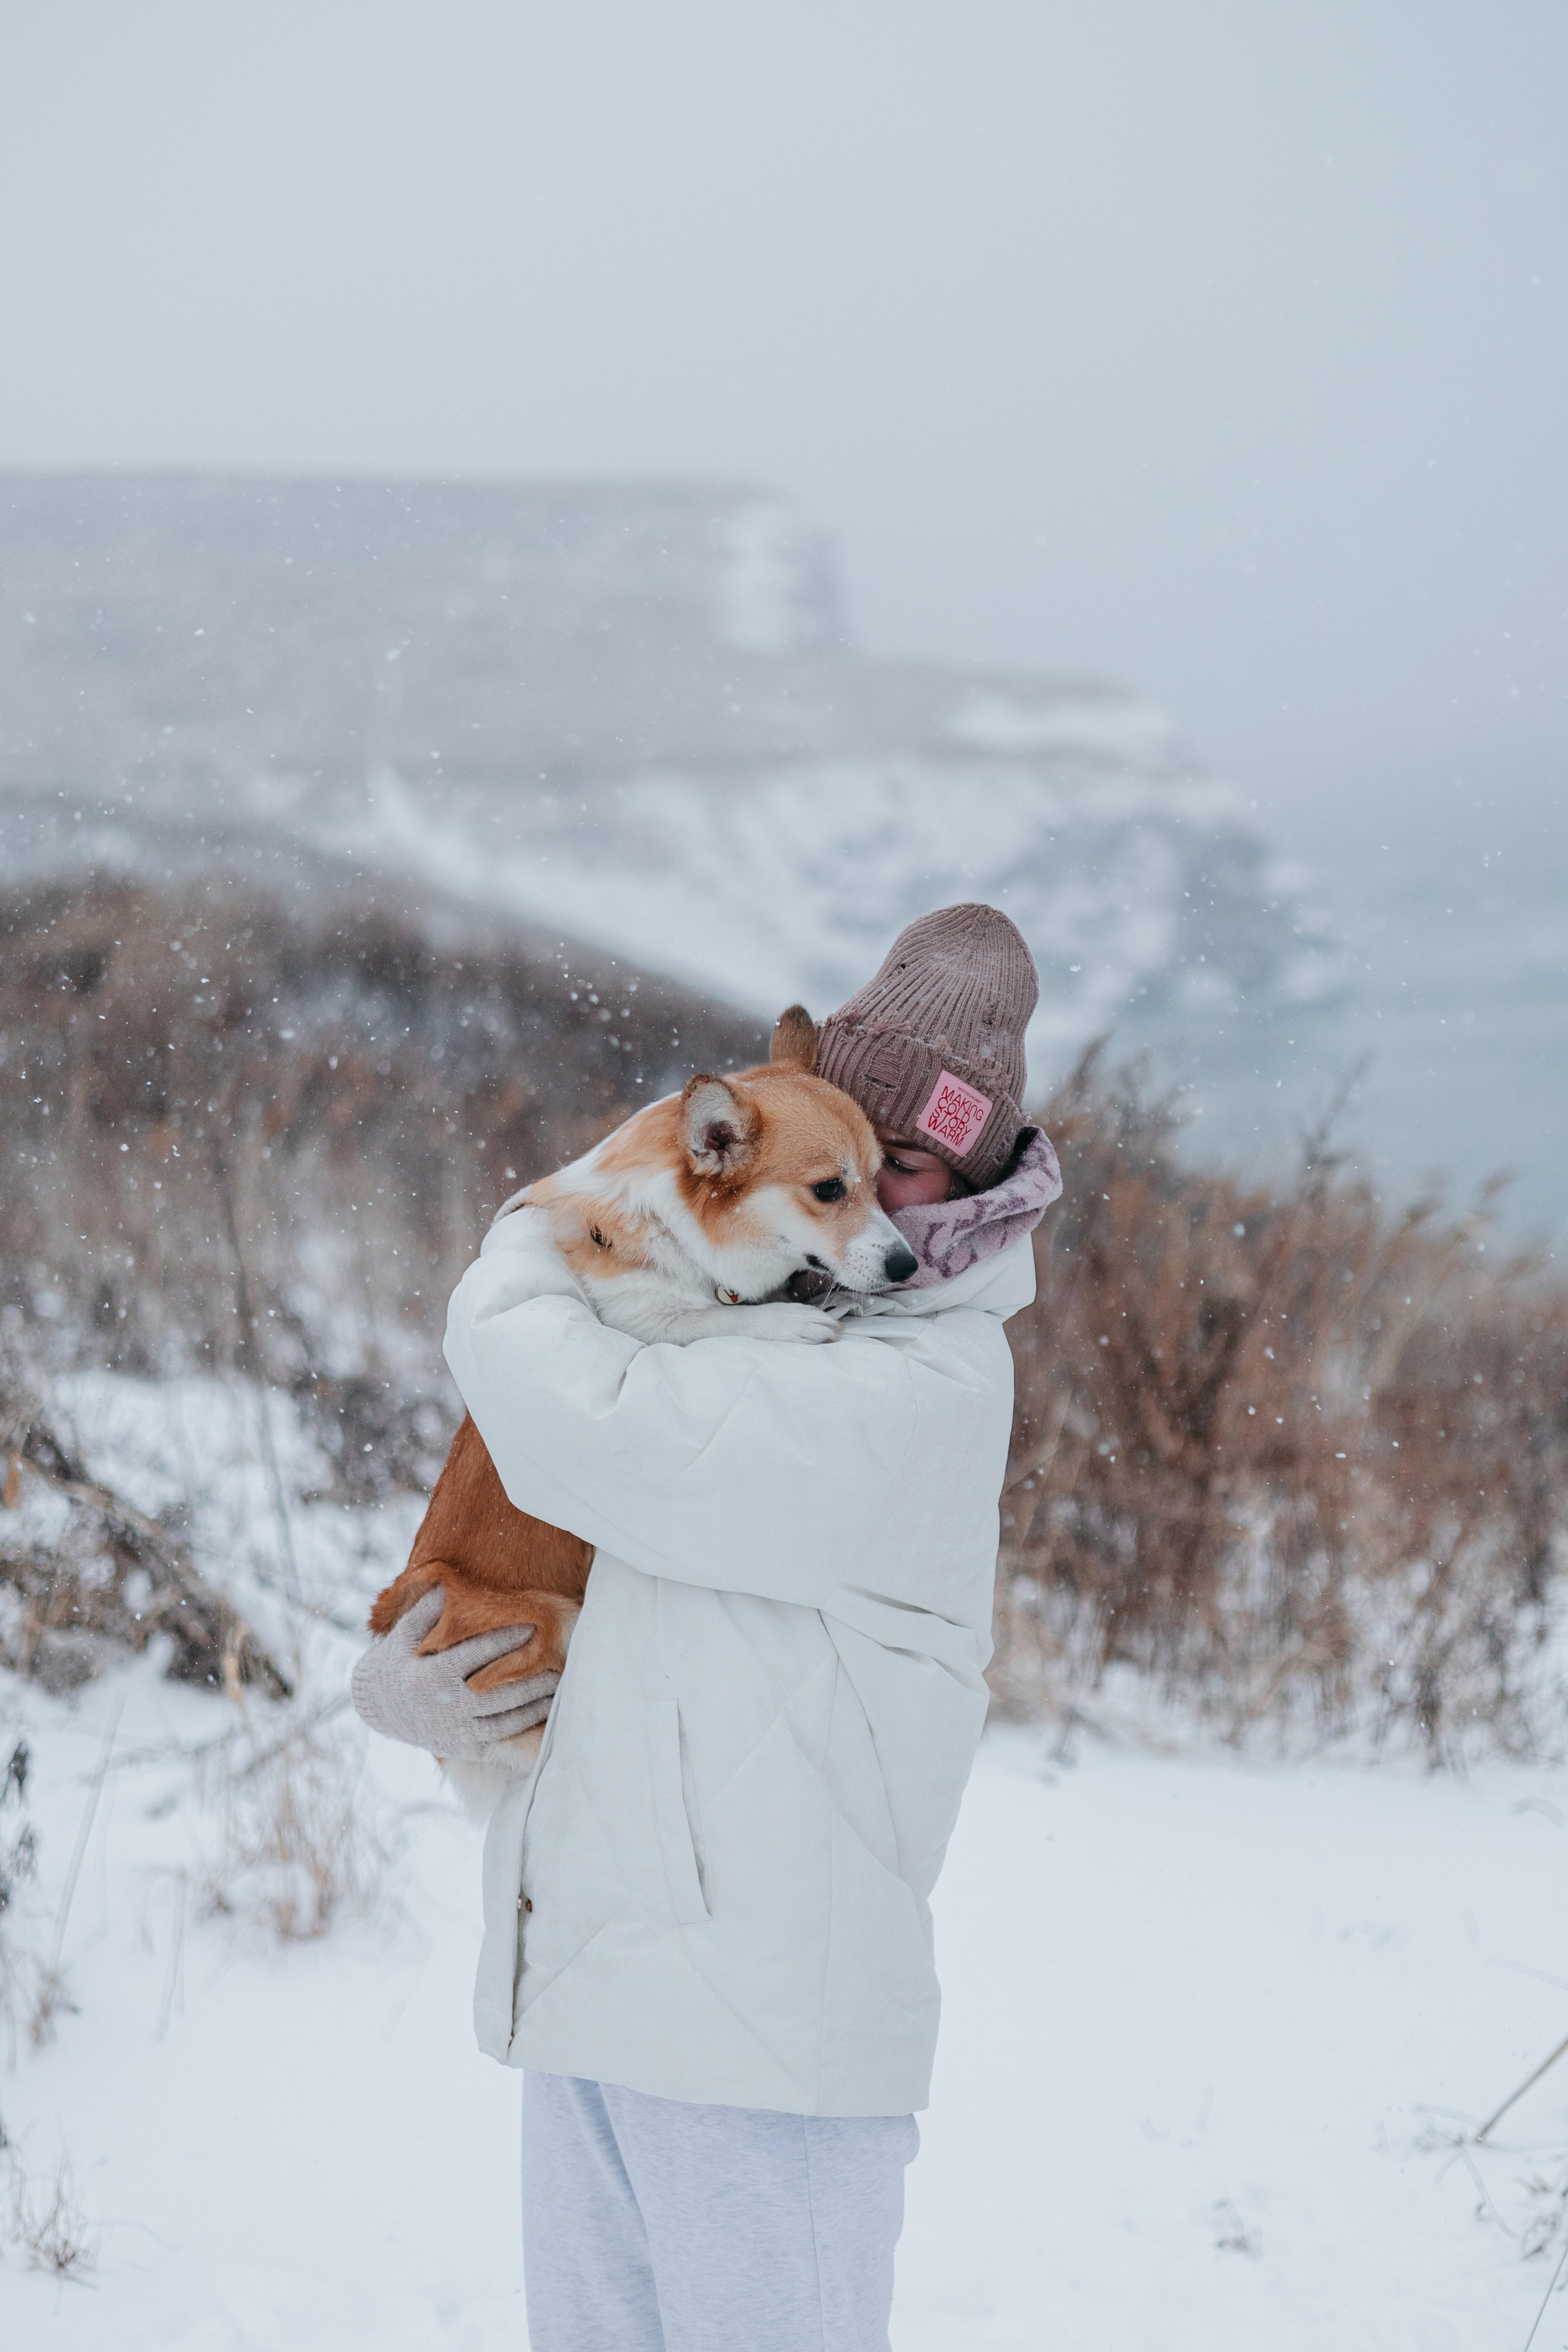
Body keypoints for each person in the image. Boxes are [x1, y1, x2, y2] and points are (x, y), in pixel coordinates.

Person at [353, 902, 1061, 2352]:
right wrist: (428, 1688)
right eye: (842, 1156)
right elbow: (609, 1620)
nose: (872, 1195)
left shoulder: (927, 1385)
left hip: (764, 2047)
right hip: (598, 1999)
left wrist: (526, 1238)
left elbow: (582, 1432)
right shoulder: (741, 1300)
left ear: (980, 1175)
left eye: (907, 1164)